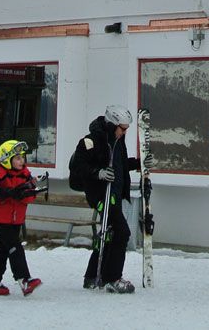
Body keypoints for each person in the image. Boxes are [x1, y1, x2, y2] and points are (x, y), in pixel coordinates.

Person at [68, 105, 140, 294]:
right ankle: (112, 277)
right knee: (122, 232)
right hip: (102, 195)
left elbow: (120, 165)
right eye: (122, 128)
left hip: (114, 194)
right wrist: (97, 173)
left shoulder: (117, 141)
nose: (124, 132)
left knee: (108, 234)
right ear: (112, 124)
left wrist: (139, 164)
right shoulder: (91, 141)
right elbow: (78, 166)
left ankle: (92, 276)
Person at [0, 140, 43, 297]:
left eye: (22, 157)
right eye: (18, 158)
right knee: (15, 246)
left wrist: (22, 195)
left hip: (17, 219)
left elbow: (31, 196)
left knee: (2, 251)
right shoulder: (1, 175)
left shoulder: (26, 176)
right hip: (3, 219)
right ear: (8, 159)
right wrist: (0, 191)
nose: (22, 161)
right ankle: (24, 279)